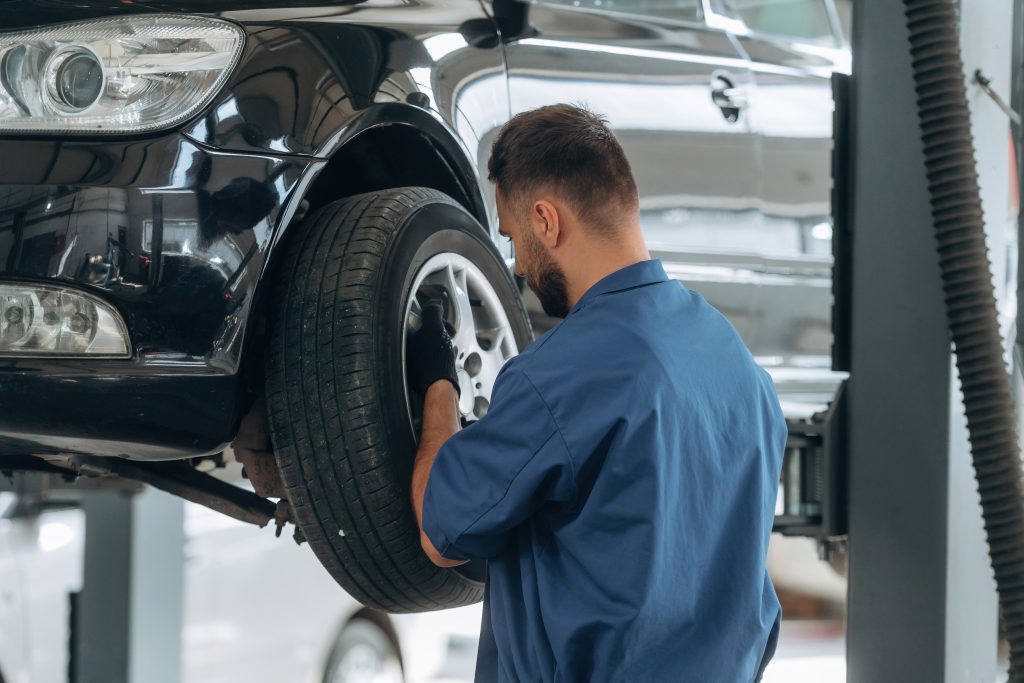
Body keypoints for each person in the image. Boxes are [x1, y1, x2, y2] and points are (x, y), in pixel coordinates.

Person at [407, 103, 786, 682]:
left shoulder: (560, 376)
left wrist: (436, 384)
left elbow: (443, 531)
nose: (517, 266)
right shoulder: (735, 364)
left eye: (512, 237)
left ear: (546, 220)